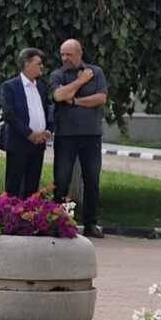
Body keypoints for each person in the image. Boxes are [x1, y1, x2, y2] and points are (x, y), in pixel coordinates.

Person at [49, 37, 109, 238]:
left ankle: (91, 223)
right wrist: (81, 81)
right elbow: (59, 96)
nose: (65, 58)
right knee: (61, 179)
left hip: (91, 135)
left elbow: (100, 98)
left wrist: (74, 100)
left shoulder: (96, 72)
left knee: (92, 180)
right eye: (62, 54)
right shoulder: (58, 74)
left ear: (80, 53)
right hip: (66, 135)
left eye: (69, 54)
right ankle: (58, 221)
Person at [0, 47, 51, 201]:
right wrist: (29, 134)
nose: (42, 66)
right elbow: (9, 114)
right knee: (13, 185)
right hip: (18, 142)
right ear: (27, 64)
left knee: (32, 186)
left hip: (39, 144)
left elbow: (47, 110)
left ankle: (30, 213)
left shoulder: (41, 87)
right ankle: (10, 213)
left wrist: (48, 131)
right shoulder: (10, 86)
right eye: (38, 63)